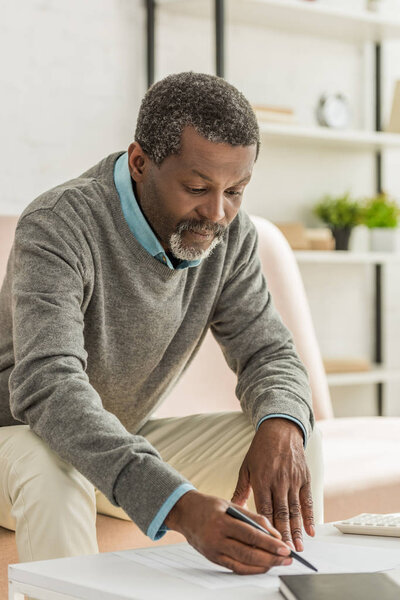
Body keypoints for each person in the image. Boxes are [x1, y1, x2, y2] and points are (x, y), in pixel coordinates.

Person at [0, 71, 318, 575]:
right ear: (140, 162)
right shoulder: (59, 223)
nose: (217, 212)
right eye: (197, 187)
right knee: (51, 467)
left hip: (120, 434)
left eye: (236, 189)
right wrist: (180, 506)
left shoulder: (231, 236)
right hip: (17, 438)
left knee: (290, 443)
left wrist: (281, 422)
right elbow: (47, 387)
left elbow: (268, 353)